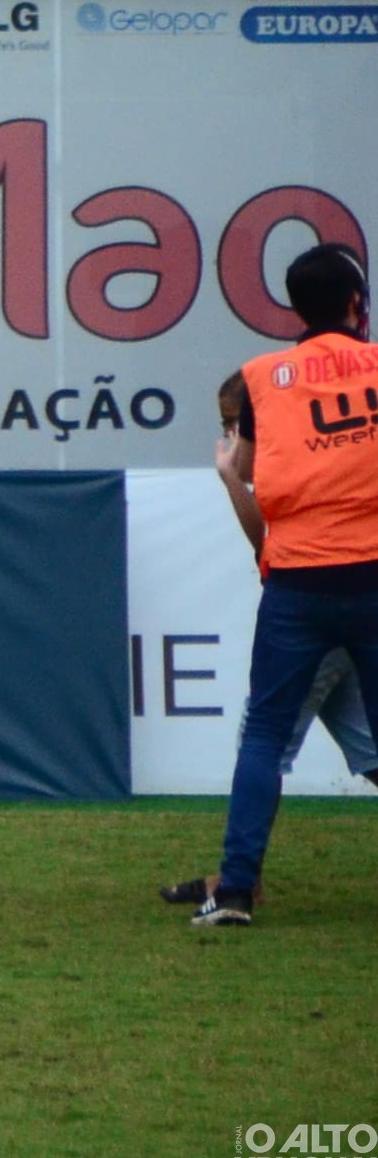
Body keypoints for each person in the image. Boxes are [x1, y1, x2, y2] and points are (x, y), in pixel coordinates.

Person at [186, 247, 378, 929]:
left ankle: (236, 890)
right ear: (356, 303)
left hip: (297, 580)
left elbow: (245, 467)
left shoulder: (261, 378)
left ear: (295, 308)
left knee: (265, 736)